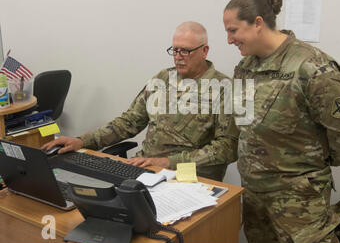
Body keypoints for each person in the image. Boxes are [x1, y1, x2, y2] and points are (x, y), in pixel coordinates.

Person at [223, 0, 340, 243]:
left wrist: (313, 167)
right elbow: (242, 123)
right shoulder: (244, 67)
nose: (229, 39)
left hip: (299, 200)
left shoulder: (311, 66)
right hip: (255, 195)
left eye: (233, 30)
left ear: (258, 23)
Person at [42, 21, 239, 182]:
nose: (178, 58)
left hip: (189, 176)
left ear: (204, 51)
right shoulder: (162, 79)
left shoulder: (225, 89)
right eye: (175, 50)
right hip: (146, 168)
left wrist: (169, 162)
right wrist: (84, 141)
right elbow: (129, 122)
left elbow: (227, 148)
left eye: (185, 51)